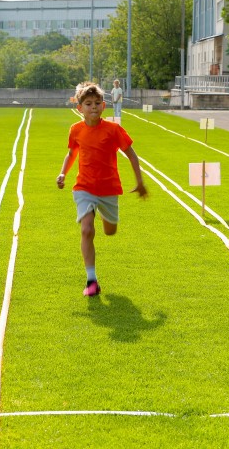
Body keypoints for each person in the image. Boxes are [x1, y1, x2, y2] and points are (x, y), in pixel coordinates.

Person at [56, 82, 148, 297]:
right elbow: (71, 153)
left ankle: (106, 217)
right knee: (87, 230)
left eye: (97, 103)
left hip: (109, 189)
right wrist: (63, 174)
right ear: (80, 108)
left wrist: (140, 182)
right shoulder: (76, 130)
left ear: (104, 106)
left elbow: (132, 155)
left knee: (110, 231)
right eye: (88, 104)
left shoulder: (113, 130)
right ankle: (91, 280)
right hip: (84, 187)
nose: (93, 107)